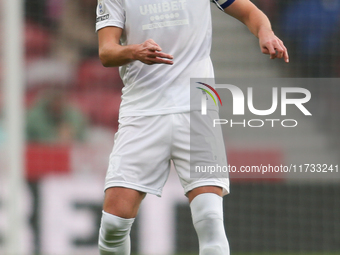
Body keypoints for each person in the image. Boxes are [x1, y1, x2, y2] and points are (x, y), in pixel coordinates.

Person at [95, 0, 289, 254]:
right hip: (142, 111)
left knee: (209, 218)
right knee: (113, 225)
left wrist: (266, 32)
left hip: (198, 108)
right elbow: (106, 52)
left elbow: (250, 11)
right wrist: (135, 51)